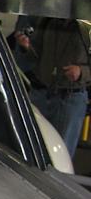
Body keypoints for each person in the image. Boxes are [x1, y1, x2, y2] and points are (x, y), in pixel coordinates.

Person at [13, 17, 90, 157]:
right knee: (31, 150)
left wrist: (81, 72)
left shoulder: (86, 26)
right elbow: (36, 55)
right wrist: (26, 47)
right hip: (41, 93)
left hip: (69, 98)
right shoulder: (48, 21)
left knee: (60, 156)